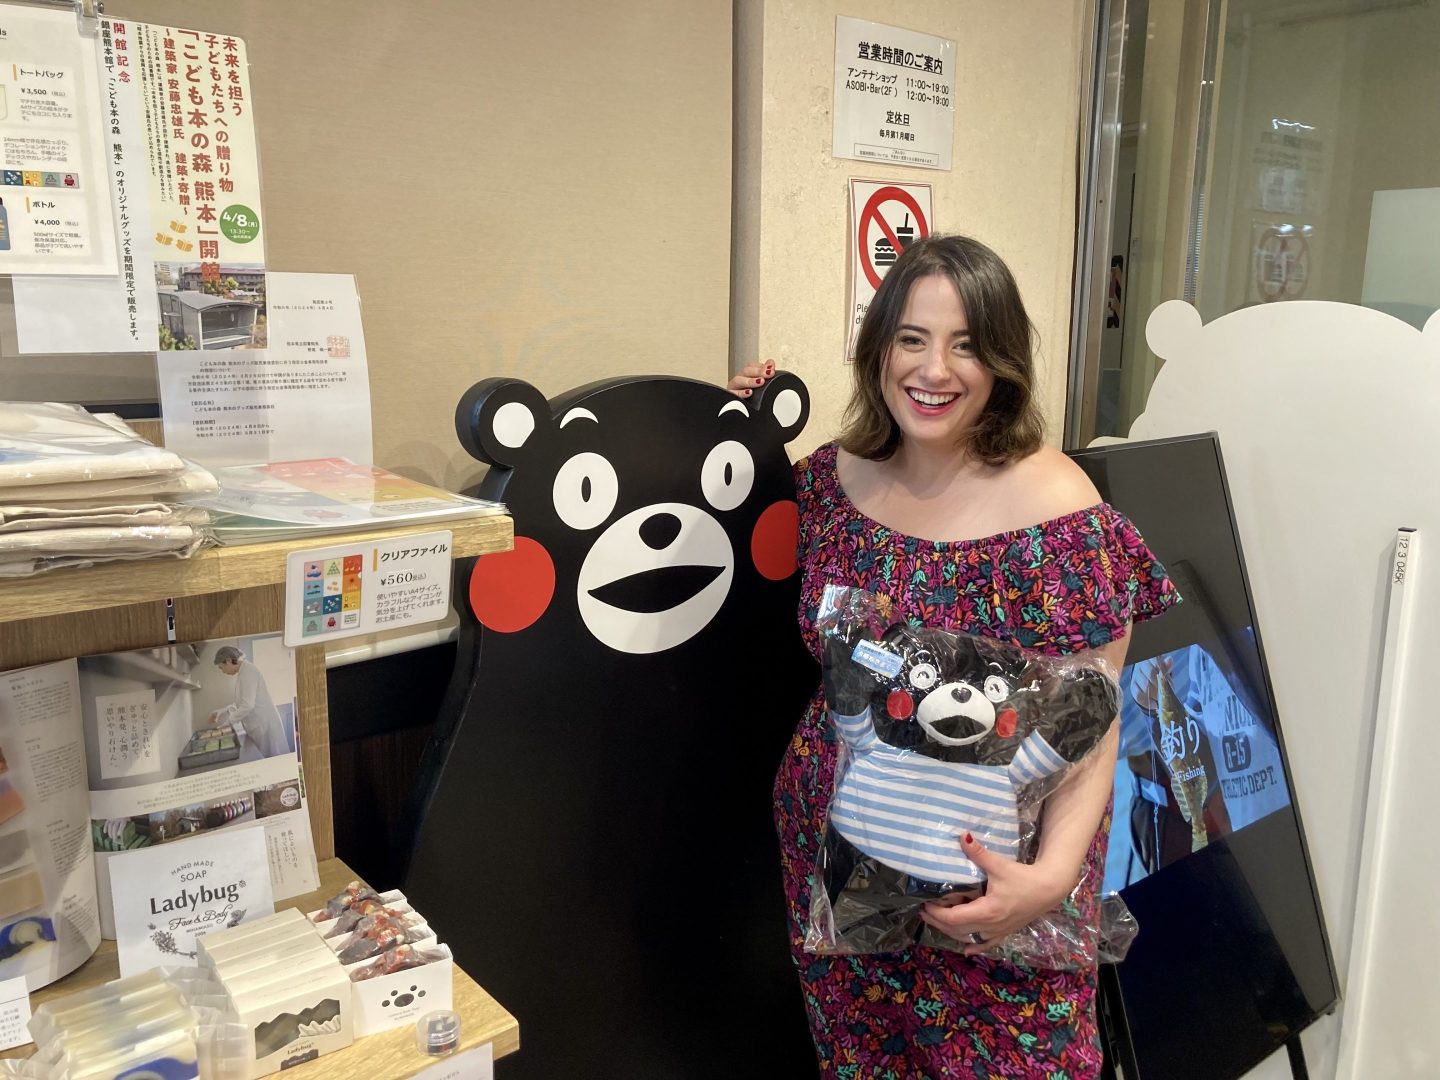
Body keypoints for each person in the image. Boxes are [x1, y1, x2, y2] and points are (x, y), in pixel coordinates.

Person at [730, 234, 1179, 1076]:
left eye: (965, 344)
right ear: (878, 349)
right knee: (863, 1063)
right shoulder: (828, 483)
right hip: (842, 877)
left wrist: (1050, 879)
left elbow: (1094, 714)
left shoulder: (1058, 510)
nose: (933, 369)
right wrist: (725, 421)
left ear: (1001, 362)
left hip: (996, 888)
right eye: (911, 338)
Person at [210, 645, 289, 759]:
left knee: (276, 758)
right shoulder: (243, 672)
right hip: (260, 725)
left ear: (228, 661)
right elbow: (242, 703)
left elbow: (247, 705)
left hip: (265, 725)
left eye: (221, 668)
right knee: (271, 757)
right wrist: (222, 711)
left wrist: (228, 722)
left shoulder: (248, 671)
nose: (222, 671)